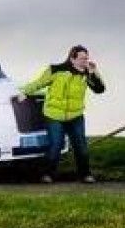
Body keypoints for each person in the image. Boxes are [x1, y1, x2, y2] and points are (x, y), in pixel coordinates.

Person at [20, 45, 106, 183]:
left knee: (81, 146)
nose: (85, 61)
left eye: (86, 58)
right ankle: (47, 175)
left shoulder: (86, 74)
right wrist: (24, 92)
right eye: (82, 58)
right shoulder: (56, 69)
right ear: (72, 59)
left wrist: (94, 72)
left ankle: (85, 175)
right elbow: (39, 83)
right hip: (54, 115)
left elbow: (100, 89)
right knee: (56, 145)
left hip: (75, 115)